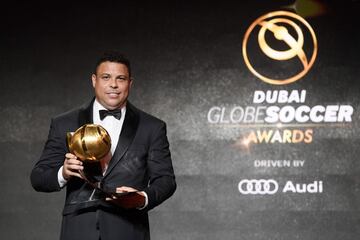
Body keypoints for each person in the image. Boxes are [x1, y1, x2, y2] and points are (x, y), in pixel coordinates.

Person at [30, 51, 177, 240]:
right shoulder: (64, 123)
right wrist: (63, 173)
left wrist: (141, 198)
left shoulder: (152, 127)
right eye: (106, 77)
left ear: (130, 83)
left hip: (129, 229)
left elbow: (166, 180)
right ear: (94, 80)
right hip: (78, 229)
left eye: (121, 78)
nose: (113, 84)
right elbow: (38, 177)